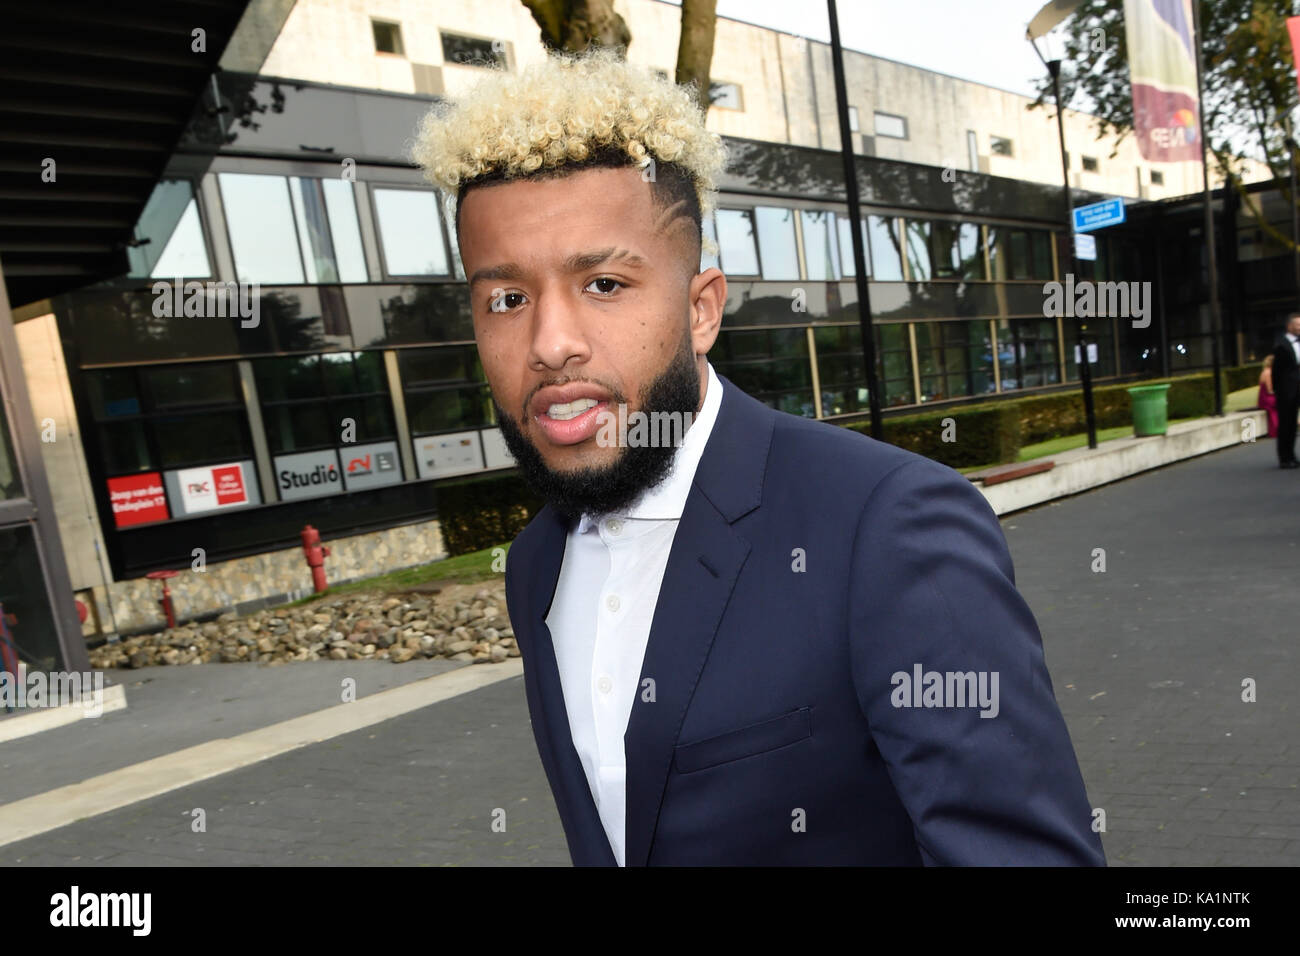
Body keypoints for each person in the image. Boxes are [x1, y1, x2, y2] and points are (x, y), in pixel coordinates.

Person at [412, 50, 1104, 866]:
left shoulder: (884, 525)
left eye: (603, 284)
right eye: (506, 298)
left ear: (702, 310)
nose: (550, 343)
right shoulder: (535, 565)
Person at [1272, 313, 1300, 468]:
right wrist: (1279, 392)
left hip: (1297, 390)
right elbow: (1277, 372)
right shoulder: (1281, 345)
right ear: (1290, 326)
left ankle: (1292, 456)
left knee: (1293, 425)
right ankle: (1284, 458)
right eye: (1298, 325)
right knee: (1285, 424)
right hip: (1285, 391)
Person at [1258, 355, 1279, 439]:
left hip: (1264, 398)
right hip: (1267, 398)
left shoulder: (1265, 371)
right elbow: (1270, 390)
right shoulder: (1269, 372)